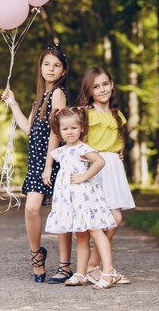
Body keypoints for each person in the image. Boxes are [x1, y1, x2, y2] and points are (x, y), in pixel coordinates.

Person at [1, 45, 73, 283]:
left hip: (53, 161)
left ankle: (65, 266)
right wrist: (13, 103)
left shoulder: (58, 94)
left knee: (60, 211)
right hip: (36, 162)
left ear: (63, 71)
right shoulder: (40, 97)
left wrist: (49, 165)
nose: (50, 69)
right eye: (46, 64)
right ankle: (37, 257)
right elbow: (29, 129)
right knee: (31, 209)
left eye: (56, 65)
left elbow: (56, 130)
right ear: (40, 68)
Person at [46, 106, 122, 289]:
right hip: (72, 201)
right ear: (59, 131)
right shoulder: (62, 151)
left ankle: (108, 271)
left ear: (81, 128)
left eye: (74, 128)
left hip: (86, 198)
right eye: (65, 129)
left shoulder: (82, 148)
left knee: (95, 231)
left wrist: (83, 177)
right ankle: (80, 274)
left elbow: (100, 162)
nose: (70, 132)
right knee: (80, 235)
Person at [77, 67, 135, 285]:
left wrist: (118, 151)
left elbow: (118, 139)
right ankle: (95, 267)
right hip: (93, 168)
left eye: (105, 84)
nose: (102, 89)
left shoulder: (117, 114)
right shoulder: (84, 113)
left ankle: (95, 264)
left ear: (112, 85)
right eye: (96, 86)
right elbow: (76, 141)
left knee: (115, 219)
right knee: (96, 220)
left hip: (112, 169)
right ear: (89, 90)